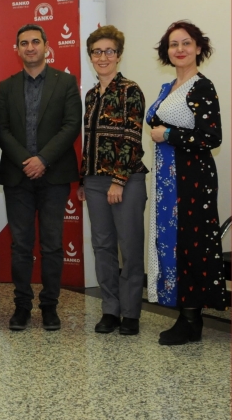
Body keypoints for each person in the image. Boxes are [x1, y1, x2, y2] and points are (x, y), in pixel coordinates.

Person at [0, 24, 81, 331]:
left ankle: (49, 306)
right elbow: (1, 128)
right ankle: (22, 307)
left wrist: (43, 159)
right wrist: (26, 161)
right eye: (24, 43)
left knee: (52, 245)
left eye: (35, 42)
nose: (30, 47)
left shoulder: (66, 82)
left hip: (54, 175)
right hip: (18, 177)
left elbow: (71, 125)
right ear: (17, 49)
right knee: (20, 246)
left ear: (46, 45)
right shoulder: (6, 86)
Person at [146, 20, 227, 345]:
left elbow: (212, 137)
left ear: (198, 47)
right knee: (174, 244)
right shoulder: (170, 87)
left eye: (186, 43)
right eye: (173, 44)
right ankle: (185, 313)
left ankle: (191, 320)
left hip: (192, 180)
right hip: (169, 180)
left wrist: (168, 134)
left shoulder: (201, 87)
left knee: (191, 245)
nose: (179, 49)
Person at [77, 26, 148, 336]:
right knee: (103, 246)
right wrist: (83, 179)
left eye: (109, 51)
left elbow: (132, 138)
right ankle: (110, 310)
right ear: (90, 56)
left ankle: (131, 313)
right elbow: (89, 141)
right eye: (97, 51)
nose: (102, 57)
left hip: (127, 180)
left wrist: (118, 180)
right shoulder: (91, 95)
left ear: (118, 55)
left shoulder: (130, 90)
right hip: (94, 181)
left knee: (129, 247)